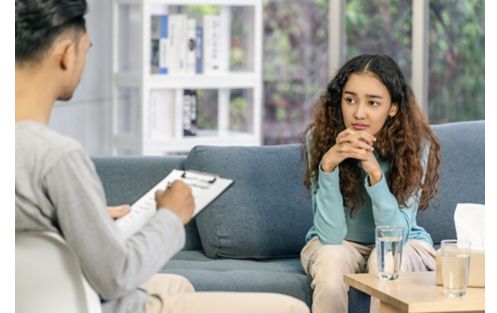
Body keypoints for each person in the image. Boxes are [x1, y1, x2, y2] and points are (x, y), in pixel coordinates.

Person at [15, 1, 310, 313]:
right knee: (289, 308)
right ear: (66, 54)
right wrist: (170, 216)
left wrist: (88, 218)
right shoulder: (57, 157)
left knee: (177, 284)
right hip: (91, 301)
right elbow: (116, 276)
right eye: (86, 50)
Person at [300, 54, 440, 313]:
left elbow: (396, 236)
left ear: (393, 108)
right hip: (340, 244)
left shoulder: (416, 144)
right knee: (331, 260)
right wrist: (328, 166)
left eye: (373, 103)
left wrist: (375, 175)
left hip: (405, 243)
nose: (358, 113)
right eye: (350, 100)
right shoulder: (318, 138)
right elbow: (330, 237)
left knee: (386, 260)